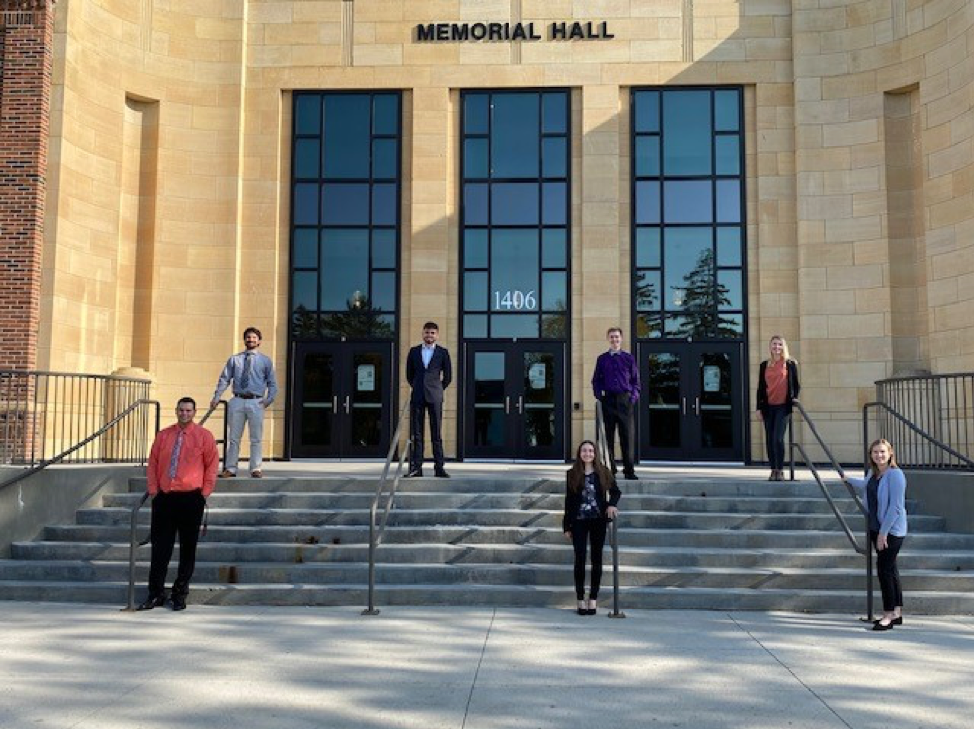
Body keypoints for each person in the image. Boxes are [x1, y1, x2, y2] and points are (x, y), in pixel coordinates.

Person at [138, 397, 219, 612]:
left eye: (188, 410)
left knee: (187, 549)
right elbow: (153, 463)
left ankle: (179, 593)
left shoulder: (204, 436)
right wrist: (154, 491)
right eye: (181, 410)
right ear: (176, 411)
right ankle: (155, 594)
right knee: (160, 549)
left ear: (194, 412)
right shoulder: (164, 435)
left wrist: (204, 494)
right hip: (165, 498)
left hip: (191, 498)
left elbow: (211, 466)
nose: (184, 413)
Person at [843, 439, 908, 631]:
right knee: (891, 569)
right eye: (875, 452)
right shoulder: (873, 472)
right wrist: (847, 479)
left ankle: (887, 616)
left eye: (882, 452)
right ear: (871, 455)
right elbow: (865, 484)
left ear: (890, 453)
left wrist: (883, 533)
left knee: (884, 570)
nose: (879, 455)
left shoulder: (896, 475)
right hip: (876, 527)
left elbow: (896, 508)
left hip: (891, 530)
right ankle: (897, 612)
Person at [563, 440, 621, 616]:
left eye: (590, 451)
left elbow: (616, 491)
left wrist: (611, 505)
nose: (587, 453)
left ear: (595, 453)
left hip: (598, 521)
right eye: (584, 451)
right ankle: (580, 598)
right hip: (578, 521)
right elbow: (569, 501)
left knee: (597, 559)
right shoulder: (572, 473)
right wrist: (567, 526)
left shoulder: (603, 472)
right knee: (579, 558)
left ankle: (593, 598)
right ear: (579, 453)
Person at [211, 326, 278, 478]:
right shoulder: (235, 359)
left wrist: (268, 400)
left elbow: (272, 384)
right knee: (234, 438)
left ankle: (255, 469)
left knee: (256, 438)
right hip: (237, 401)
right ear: (244, 340)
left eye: (254, 337)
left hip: (256, 402)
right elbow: (224, 379)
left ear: (259, 341)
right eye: (248, 337)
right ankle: (230, 468)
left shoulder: (265, 361)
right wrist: (216, 397)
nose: (251, 339)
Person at [591, 327, 641, 480]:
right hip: (608, 401)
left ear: (621, 338)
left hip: (625, 401)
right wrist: (600, 395)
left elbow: (636, 381)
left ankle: (629, 470)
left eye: (617, 337)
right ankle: (609, 470)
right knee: (607, 437)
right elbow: (596, 380)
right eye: (612, 337)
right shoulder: (602, 359)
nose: (614, 340)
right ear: (608, 339)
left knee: (627, 437)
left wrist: (632, 398)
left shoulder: (629, 358)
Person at [405, 321, 452, 478]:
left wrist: (438, 388)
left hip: (435, 396)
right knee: (417, 434)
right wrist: (418, 386)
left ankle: (439, 467)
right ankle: (416, 468)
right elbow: (409, 375)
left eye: (432, 333)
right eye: (427, 332)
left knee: (436, 433)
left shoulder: (443, 352)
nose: (429, 335)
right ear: (422, 334)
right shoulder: (413, 351)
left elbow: (448, 377)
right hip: (417, 396)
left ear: (437, 335)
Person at [756, 334, 800, 481]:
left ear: (783, 347)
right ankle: (773, 469)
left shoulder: (790, 364)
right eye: (774, 344)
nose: (777, 347)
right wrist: (758, 408)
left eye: (779, 344)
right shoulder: (764, 365)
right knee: (769, 439)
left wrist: (794, 398)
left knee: (778, 439)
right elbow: (760, 388)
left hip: (783, 406)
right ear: (770, 347)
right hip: (768, 407)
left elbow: (796, 384)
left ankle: (780, 470)